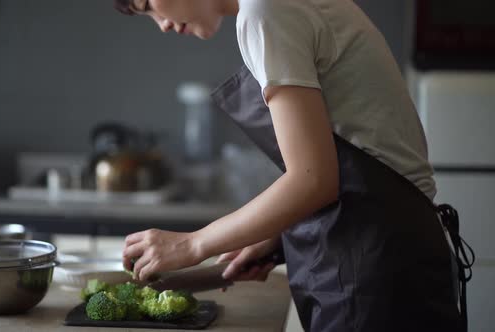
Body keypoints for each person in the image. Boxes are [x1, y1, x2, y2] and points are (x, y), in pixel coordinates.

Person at [114, 1, 469, 331]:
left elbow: (313, 180)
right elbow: (353, 159)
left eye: (148, 5)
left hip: (374, 270)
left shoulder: (265, 13)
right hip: (385, 251)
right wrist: (273, 238)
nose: (160, 25)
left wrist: (191, 245)